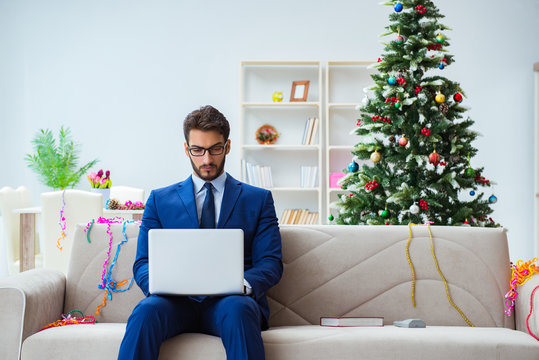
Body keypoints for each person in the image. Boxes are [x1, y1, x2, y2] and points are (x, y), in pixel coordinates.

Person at [117, 105, 283, 360]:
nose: (207, 159)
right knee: (145, 312)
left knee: (239, 310)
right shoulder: (159, 200)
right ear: (187, 149)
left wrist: (242, 285)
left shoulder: (258, 200)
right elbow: (142, 263)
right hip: (173, 303)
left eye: (215, 149)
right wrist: (159, 284)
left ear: (227, 146)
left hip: (230, 303)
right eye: (198, 150)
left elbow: (270, 263)